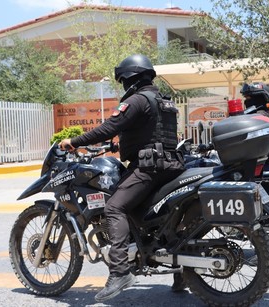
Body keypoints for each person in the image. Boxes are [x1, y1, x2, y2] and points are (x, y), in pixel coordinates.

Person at [59, 54, 185, 302]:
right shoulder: (163, 101)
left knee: (114, 207)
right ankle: (181, 271)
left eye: (124, 82)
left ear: (131, 79)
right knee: (157, 218)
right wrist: (120, 148)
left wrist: (74, 142)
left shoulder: (137, 100)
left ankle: (119, 272)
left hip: (150, 167)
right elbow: (152, 134)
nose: (124, 87)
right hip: (171, 165)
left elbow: (108, 128)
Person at [240, 82, 269, 171]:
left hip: (261, 167)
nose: (246, 101)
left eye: (248, 98)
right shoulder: (255, 116)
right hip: (255, 164)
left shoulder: (260, 116)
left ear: (258, 98)